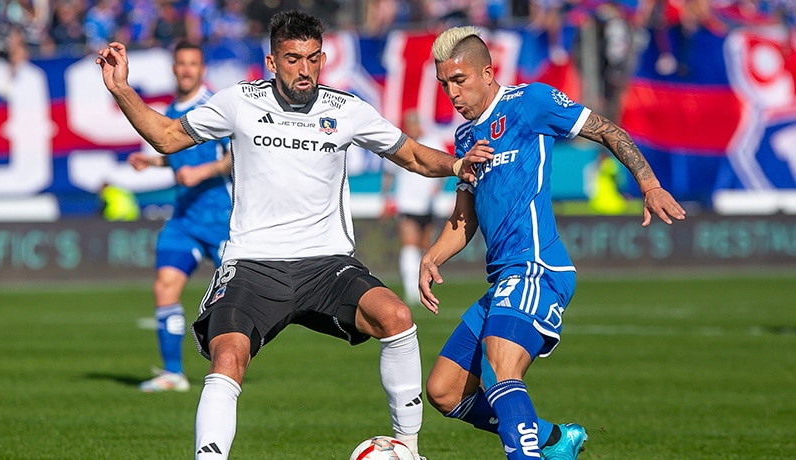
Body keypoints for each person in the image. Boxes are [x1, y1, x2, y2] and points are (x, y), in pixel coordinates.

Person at [95, 10, 490, 459]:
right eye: (293, 59)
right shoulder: (239, 102)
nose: (305, 70)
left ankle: (408, 449)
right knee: (228, 359)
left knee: (397, 317)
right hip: (254, 264)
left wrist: (457, 164)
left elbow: (413, 155)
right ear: (271, 62)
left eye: (314, 59)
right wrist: (122, 89)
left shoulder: (346, 110)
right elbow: (166, 137)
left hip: (326, 265)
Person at [419, 26, 686, 460]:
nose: (451, 92)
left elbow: (605, 130)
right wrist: (432, 256)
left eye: (459, 80)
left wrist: (649, 184)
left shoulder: (531, 104)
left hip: (536, 267)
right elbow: (465, 217)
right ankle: (555, 440)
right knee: (445, 391)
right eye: (443, 83)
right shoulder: (467, 139)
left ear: (487, 72)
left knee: (501, 365)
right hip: (503, 278)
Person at [126, 41, 233, 393]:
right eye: (181, 63)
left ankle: (230, 369)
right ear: (174, 69)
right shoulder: (172, 111)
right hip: (185, 219)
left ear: (202, 69)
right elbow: (177, 158)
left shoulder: (217, 106)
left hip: (223, 221)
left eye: (193, 64)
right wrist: (152, 161)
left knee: (238, 300)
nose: (187, 69)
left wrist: (204, 173)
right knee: (165, 286)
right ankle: (173, 373)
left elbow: (237, 157)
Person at [381, 110, 447, 305]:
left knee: (424, 247)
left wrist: (438, 187)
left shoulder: (433, 143)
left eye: (415, 124)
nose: (413, 128)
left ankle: (422, 285)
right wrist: (385, 199)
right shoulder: (399, 145)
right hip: (407, 205)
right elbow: (388, 175)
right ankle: (411, 290)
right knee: (409, 245)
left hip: (428, 205)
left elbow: (443, 167)